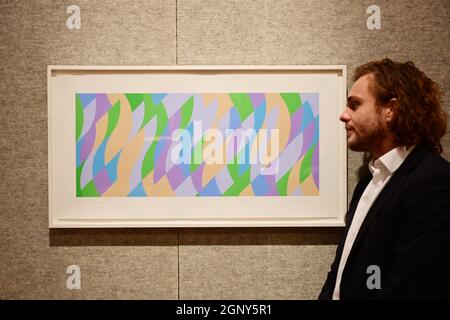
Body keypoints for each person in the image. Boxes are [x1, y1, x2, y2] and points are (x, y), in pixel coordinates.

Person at [319, 58, 450, 299]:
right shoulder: (366, 182)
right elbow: (341, 273)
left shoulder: (434, 180)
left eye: (354, 105)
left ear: (390, 109)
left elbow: (412, 287)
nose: (343, 116)